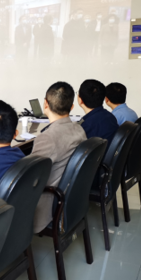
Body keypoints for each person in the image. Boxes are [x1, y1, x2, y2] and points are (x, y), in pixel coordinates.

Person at [30, 82, 87, 233]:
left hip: (47, 207)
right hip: (71, 200)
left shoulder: (48, 138)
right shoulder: (79, 129)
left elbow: (29, 178)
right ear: (72, 106)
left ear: (45, 104)